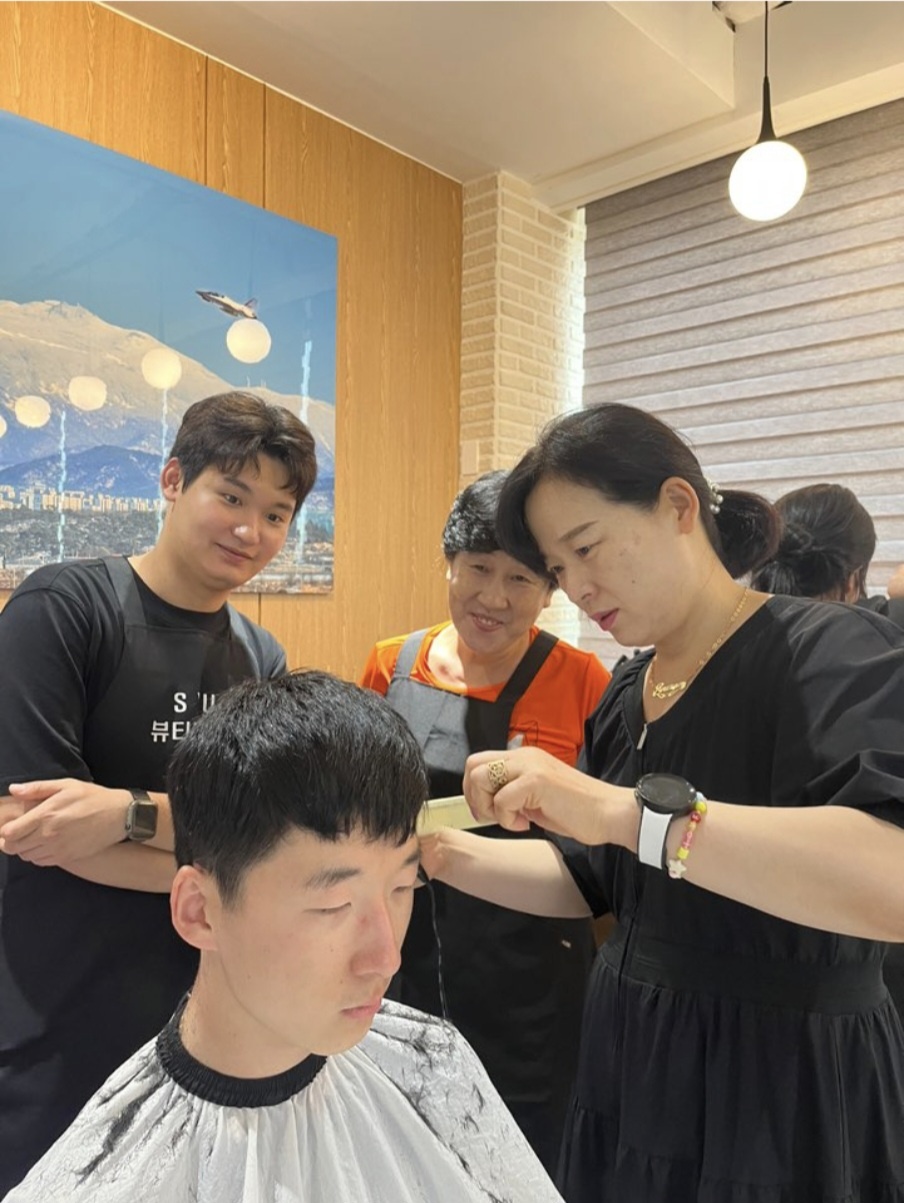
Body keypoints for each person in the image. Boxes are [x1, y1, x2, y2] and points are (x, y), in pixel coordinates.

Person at [422, 403, 904, 1202]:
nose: (578, 587)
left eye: (585, 548)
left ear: (678, 506)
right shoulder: (626, 693)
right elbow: (593, 882)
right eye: (560, 567)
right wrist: (430, 851)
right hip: (634, 1061)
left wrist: (621, 813)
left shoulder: (828, 652)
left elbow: (891, 879)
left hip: (784, 1080)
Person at [7, 671, 563, 1203]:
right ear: (200, 912)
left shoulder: (434, 1066)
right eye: (333, 905)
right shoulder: (105, 1175)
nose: (386, 958)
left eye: (403, 885)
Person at [0, 390, 317, 1195]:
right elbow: (31, 826)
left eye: (276, 514)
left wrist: (125, 812)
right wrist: (216, 854)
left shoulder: (261, 657)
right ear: (174, 480)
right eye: (231, 496)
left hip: (202, 1020)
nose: (251, 530)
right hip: (53, 1010)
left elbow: (273, 834)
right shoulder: (65, 609)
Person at [359, 470, 609, 1172]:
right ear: (449, 562)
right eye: (477, 569)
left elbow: (598, 838)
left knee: (524, 1154)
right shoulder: (391, 665)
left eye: (520, 579)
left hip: (533, 972)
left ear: (550, 589)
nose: (494, 598)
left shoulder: (585, 682)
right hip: (401, 950)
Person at [752, 481, 904, 1019]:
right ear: (853, 578)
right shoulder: (874, 651)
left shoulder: (718, 649)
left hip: (723, 962)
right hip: (849, 982)